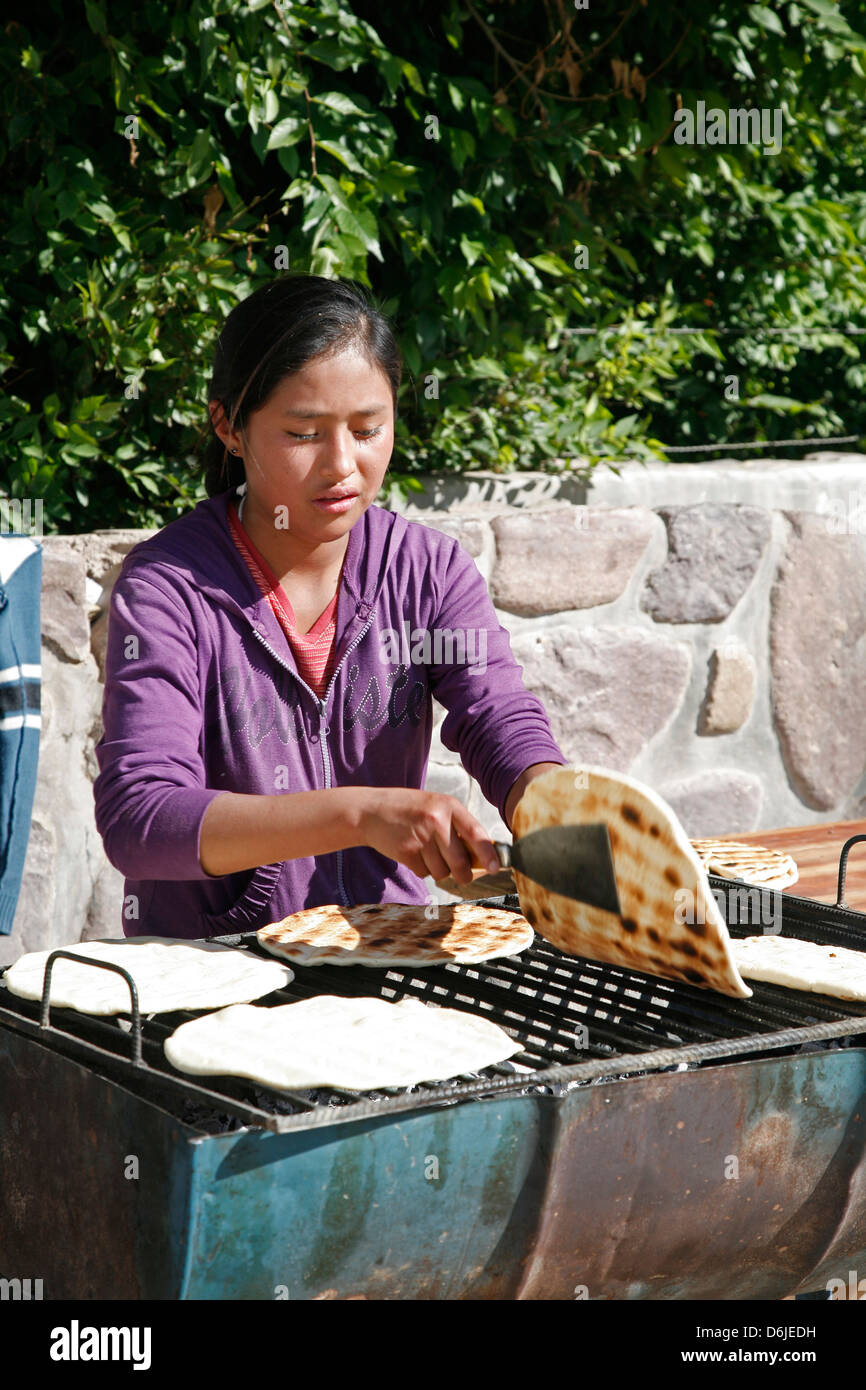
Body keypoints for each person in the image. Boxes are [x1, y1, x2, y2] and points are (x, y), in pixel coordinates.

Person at [93, 274, 567, 938]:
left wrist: (551, 802)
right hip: (218, 973)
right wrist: (358, 815)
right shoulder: (170, 587)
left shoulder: (427, 570)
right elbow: (141, 821)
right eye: (304, 432)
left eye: (369, 429)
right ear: (229, 426)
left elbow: (498, 716)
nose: (342, 464)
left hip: (393, 948)